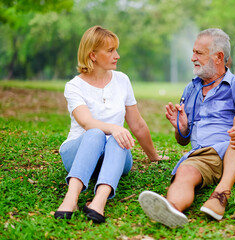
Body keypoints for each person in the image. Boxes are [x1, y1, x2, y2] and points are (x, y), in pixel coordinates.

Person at [138, 28, 235, 227]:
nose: (192, 58)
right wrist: (181, 128)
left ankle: (221, 193)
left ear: (218, 57)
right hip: (204, 156)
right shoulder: (191, 88)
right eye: (193, 52)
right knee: (184, 174)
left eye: (198, 53)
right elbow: (183, 140)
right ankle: (172, 209)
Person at [54, 25, 163, 223]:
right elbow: (86, 122)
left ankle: (99, 201)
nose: (117, 55)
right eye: (111, 50)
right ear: (93, 55)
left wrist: (154, 156)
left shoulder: (122, 80)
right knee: (96, 133)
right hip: (78, 152)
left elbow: (137, 124)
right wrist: (114, 127)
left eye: (116, 50)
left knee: (117, 139)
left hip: (115, 155)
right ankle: (71, 199)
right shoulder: (74, 86)